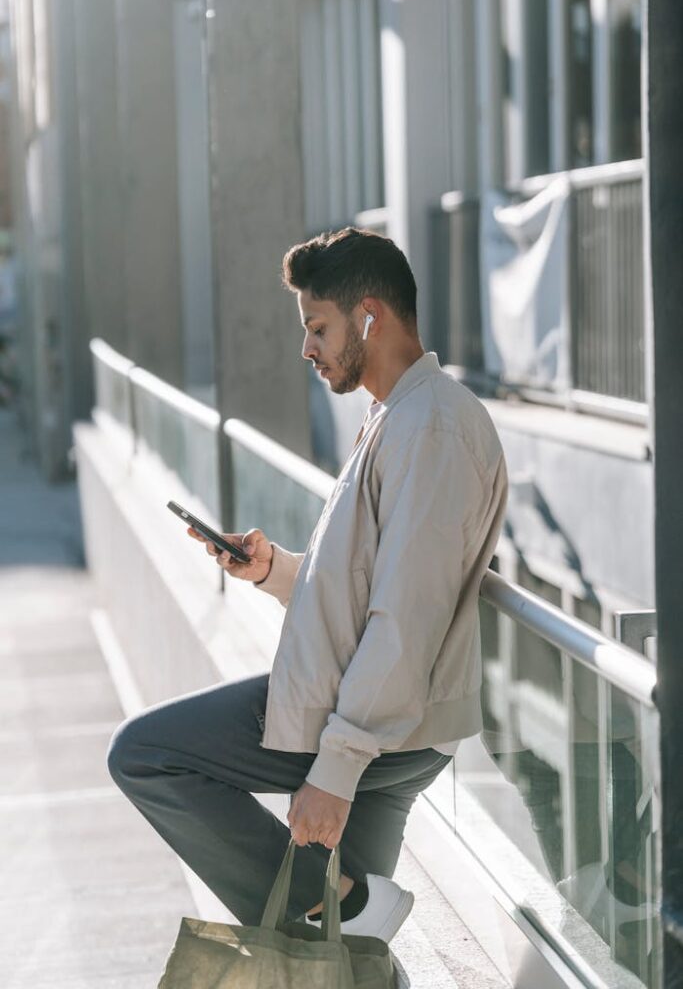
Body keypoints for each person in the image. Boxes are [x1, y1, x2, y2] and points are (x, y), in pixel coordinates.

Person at [107, 227, 508, 942]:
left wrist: (336, 765)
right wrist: (274, 571)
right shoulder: (396, 415)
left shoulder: (432, 428)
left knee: (148, 754)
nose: (306, 348)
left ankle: (350, 905)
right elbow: (364, 587)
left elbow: (404, 619)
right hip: (379, 712)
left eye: (317, 327)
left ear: (369, 316)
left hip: (381, 723)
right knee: (336, 963)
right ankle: (347, 919)